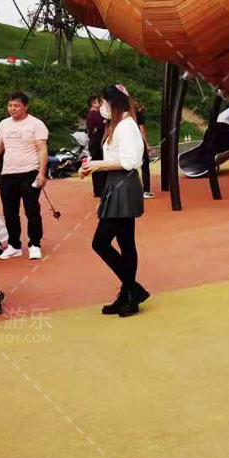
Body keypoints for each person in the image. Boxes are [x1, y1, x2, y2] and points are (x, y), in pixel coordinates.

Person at [81, 85, 149, 317]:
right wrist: (95, 166)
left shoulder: (126, 126)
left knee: (103, 242)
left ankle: (131, 290)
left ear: (114, 103)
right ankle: (129, 291)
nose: (100, 107)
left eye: (103, 102)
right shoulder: (117, 125)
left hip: (123, 184)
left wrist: (97, 165)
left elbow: (130, 161)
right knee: (124, 240)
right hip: (116, 184)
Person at [0, 91, 48, 260]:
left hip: (30, 172)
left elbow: (42, 149)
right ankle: (14, 245)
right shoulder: (4, 124)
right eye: (10, 105)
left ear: (25, 107)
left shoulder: (36, 124)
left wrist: (41, 173)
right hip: (8, 173)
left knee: (31, 210)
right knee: (9, 212)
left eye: (17, 106)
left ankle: (35, 244)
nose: (13, 109)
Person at [85, 94, 106, 199]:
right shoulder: (93, 114)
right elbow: (98, 127)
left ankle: (99, 189)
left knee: (99, 164)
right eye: (98, 102)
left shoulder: (96, 114)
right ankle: (99, 190)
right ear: (93, 103)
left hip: (96, 142)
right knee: (98, 165)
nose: (101, 104)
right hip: (96, 142)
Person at [134, 98, 153, 199]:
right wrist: (147, 144)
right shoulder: (138, 115)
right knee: (145, 166)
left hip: (129, 143)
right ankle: (146, 190)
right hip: (139, 143)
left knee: (130, 167)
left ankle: (132, 189)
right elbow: (142, 131)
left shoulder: (123, 115)